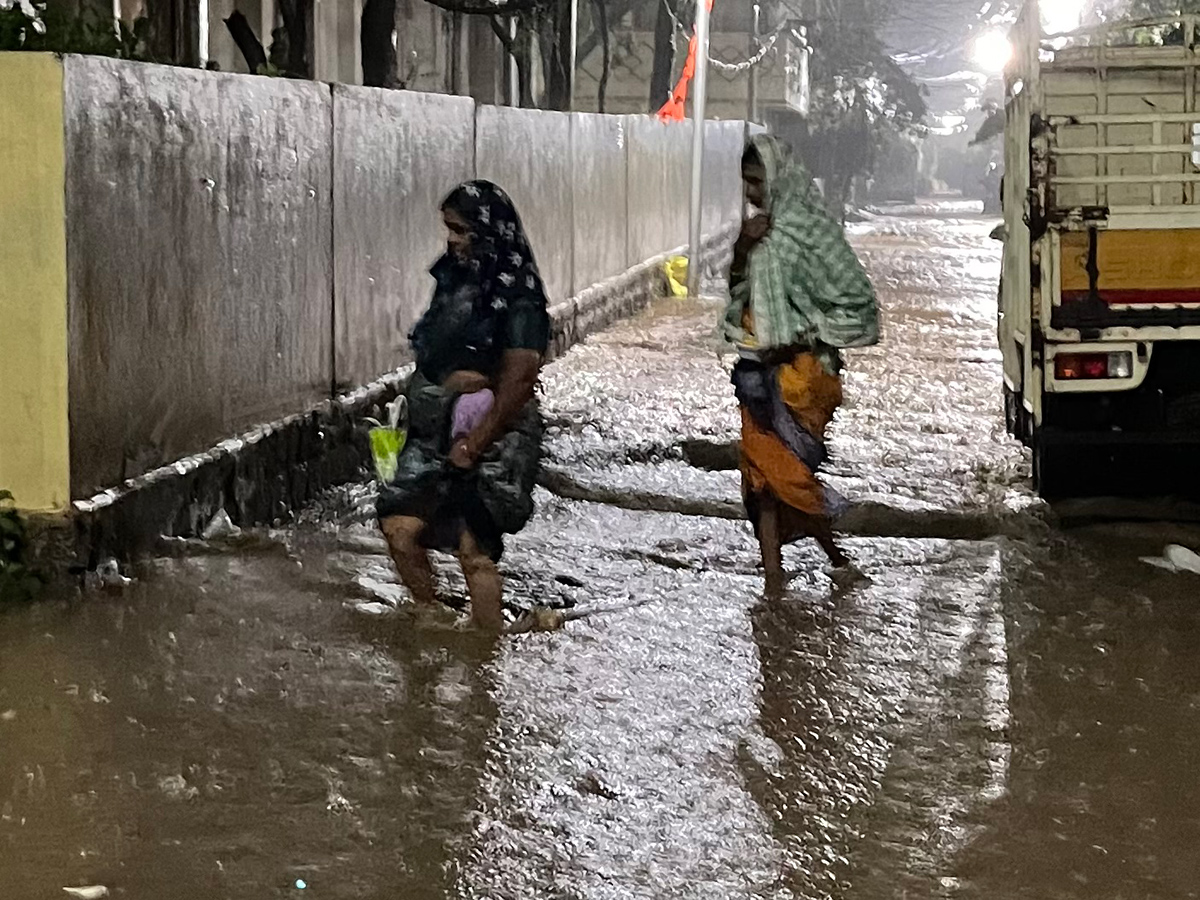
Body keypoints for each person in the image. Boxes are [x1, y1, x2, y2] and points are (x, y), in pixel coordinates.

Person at [376, 181, 550, 631]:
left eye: (461, 230)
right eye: (449, 229)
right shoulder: (455, 278)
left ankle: (485, 657)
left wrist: (475, 442)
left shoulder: (520, 296)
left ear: (487, 232)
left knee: (475, 552)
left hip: (496, 433)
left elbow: (521, 379)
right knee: (399, 527)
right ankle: (433, 619)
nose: (451, 240)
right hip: (437, 425)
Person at [723, 134, 880, 594]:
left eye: (756, 182)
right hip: (757, 372)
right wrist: (740, 250)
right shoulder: (755, 234)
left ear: (778, 179)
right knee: (763, 477)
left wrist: (794, 337)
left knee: (788, 474)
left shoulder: (814, 233)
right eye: (746, 183)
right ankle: (775, 578)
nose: (750, 193)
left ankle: (832, 559)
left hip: (803, 377)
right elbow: (737, 293)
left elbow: (854, 301)